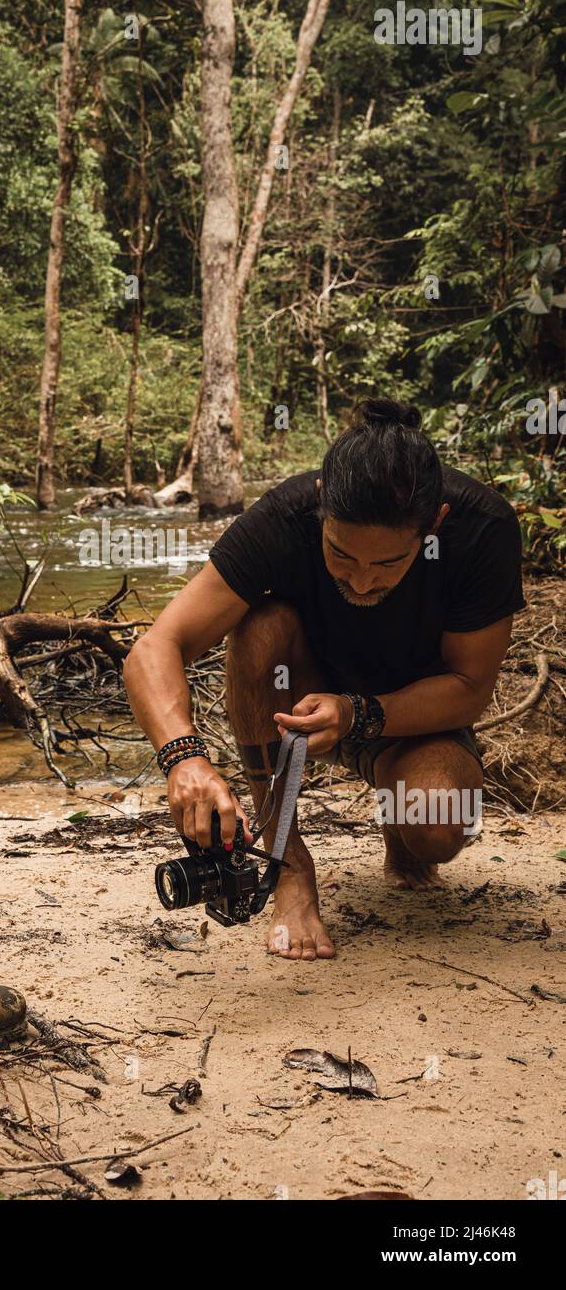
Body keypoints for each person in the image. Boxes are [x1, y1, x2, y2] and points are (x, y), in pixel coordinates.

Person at [123, 399, 524, 961]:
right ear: (321, 511)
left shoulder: (484, 529)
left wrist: (357, 712)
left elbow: (469, 687)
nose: (360, 581)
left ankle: (396, 806)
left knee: (436, 825)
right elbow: (154, 647)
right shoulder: (284, 518)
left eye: (387, 564)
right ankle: (286, 863)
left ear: (433, 524)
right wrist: (184, 759)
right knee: (260, 624)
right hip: (300, 703)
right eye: (340, 554)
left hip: (416, 718)